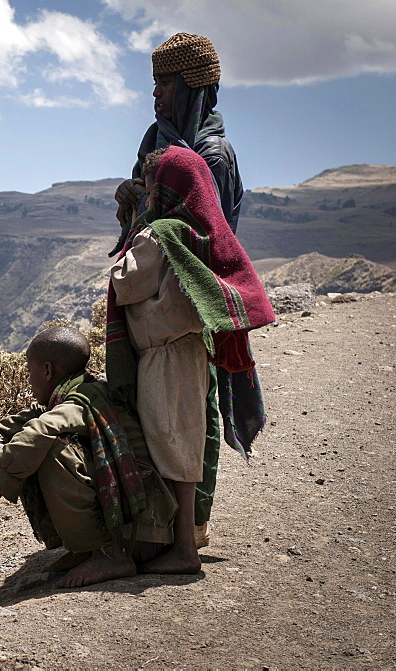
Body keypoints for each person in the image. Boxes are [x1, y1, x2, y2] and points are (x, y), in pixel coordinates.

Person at [108, 145, 275, 573]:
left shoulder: (160, 233)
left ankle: (182, 548)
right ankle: (175, 541)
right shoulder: (194, 232)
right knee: (181, 443)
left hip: (165, 358)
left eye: (149, 190)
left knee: (172, 447)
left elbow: (125, 283)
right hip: (185, 353)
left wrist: (132, 226)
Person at [0, 325, 176, 588]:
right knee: (23, 449)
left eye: (30, 371)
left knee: (50, 450)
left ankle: (109, 556)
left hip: (144, 531)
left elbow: (39, 431)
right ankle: (85, 551)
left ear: (47, 370)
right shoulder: (62, 398)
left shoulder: (84, 398)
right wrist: (0, 450)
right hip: (136, 529)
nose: (29, 379)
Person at [114, 32, 243, 236]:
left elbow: (201, 233)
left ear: (189, 88)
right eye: (155, 82)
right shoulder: (155, 139)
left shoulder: (212, 152)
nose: (156, 92)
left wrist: (142, 197)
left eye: (165, 82)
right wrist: (127, 192)